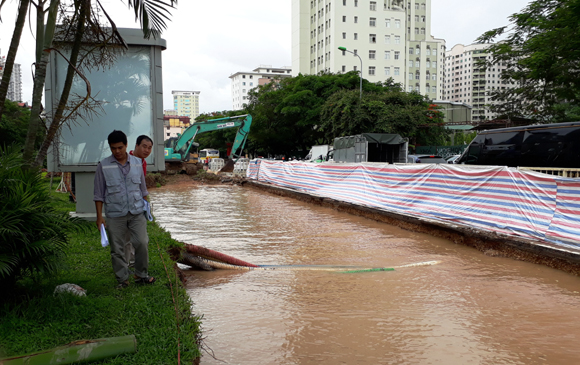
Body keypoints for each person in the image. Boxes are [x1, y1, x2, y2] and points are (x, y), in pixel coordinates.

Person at [94, 130, 155, 288]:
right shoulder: (104, 166)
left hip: (136, 212)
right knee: (117, 248)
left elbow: (143, 189)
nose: (117, 151)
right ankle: (122, 279)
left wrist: (147, 209)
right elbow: (99, 194)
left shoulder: (137, 163)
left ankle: (141, 274)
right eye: (113, 148)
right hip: (115, 214)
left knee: (142, 242)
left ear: (126, 145)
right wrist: (99, 217)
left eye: (120, 147)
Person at [125, 135, 153, 266]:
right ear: (136, 146)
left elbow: (142, 184)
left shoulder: (143, 162)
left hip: (138, 202)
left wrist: (145, 203)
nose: (147, 150)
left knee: (138, 233)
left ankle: (134, 260)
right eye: (144, 146)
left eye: (149, 148)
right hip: (125, 203)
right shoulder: (126, 160)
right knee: (127, 234)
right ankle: (128, 262)